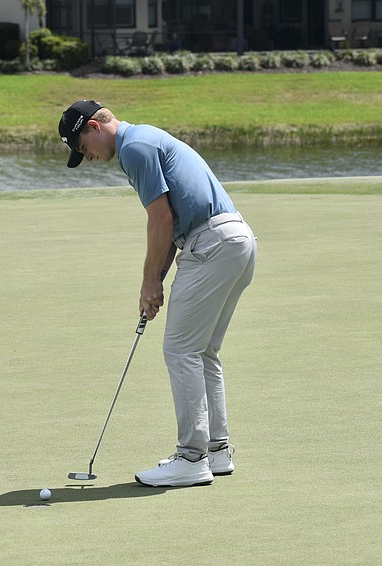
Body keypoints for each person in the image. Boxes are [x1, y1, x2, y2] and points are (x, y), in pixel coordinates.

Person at [58, 100, 257, 487]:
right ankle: (216, 451)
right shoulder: (147, 138)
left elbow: (160, 218)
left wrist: (149, 281)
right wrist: (157, 280)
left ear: (94, 128)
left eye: (84, 149)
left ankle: (191, 458)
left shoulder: (133, 148)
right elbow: (171, 221)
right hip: (236, 240)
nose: (91, 159)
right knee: (202, 352)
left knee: (181, 350)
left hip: (211, 244)